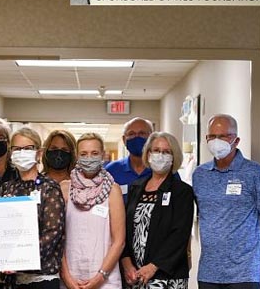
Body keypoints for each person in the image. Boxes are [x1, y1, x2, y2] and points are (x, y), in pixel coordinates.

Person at [192, 114, 260, 289]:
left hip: (244, 273)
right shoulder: (200, 175)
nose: (217, 141)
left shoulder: (256, 174)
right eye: (212, 136)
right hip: (209, 272)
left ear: (236, 140)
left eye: (223, 136)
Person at [0, 127, 65, 289]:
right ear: (11, 153)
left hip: (39, 278)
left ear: (38, 153)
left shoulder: (49, 188)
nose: (21, 152)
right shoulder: (6, 188)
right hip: (7, 278)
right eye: (17, 149)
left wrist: (19, 259)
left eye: (27, 149)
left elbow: (53, 232)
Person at [121, 132, 194, 289]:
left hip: (166, 276)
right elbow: (126, 228)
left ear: (173, 157)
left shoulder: (182, 191)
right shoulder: (136, 187)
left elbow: (180, 235)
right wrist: (126, 263)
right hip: (136, 275)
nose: (160, 155)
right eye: (156, 150)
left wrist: (153, 267)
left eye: (166, 152)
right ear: (148, 154)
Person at [60, 133, 125, 289]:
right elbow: (58, 239)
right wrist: (66, 277)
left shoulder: (113, 190)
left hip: (105, 279)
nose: (89, 158)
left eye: (94, 153)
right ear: (76, 156)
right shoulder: (65, 188)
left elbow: (119, 242)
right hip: (71, 278)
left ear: (103, 155)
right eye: (84, 154)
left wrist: (99, 278)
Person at [105, 117, 154, 202]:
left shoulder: (162, 170)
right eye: (131, 134)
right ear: (124, 140)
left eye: (142, 133)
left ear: (151, 138)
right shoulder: (112, 170)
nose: (137, 137)